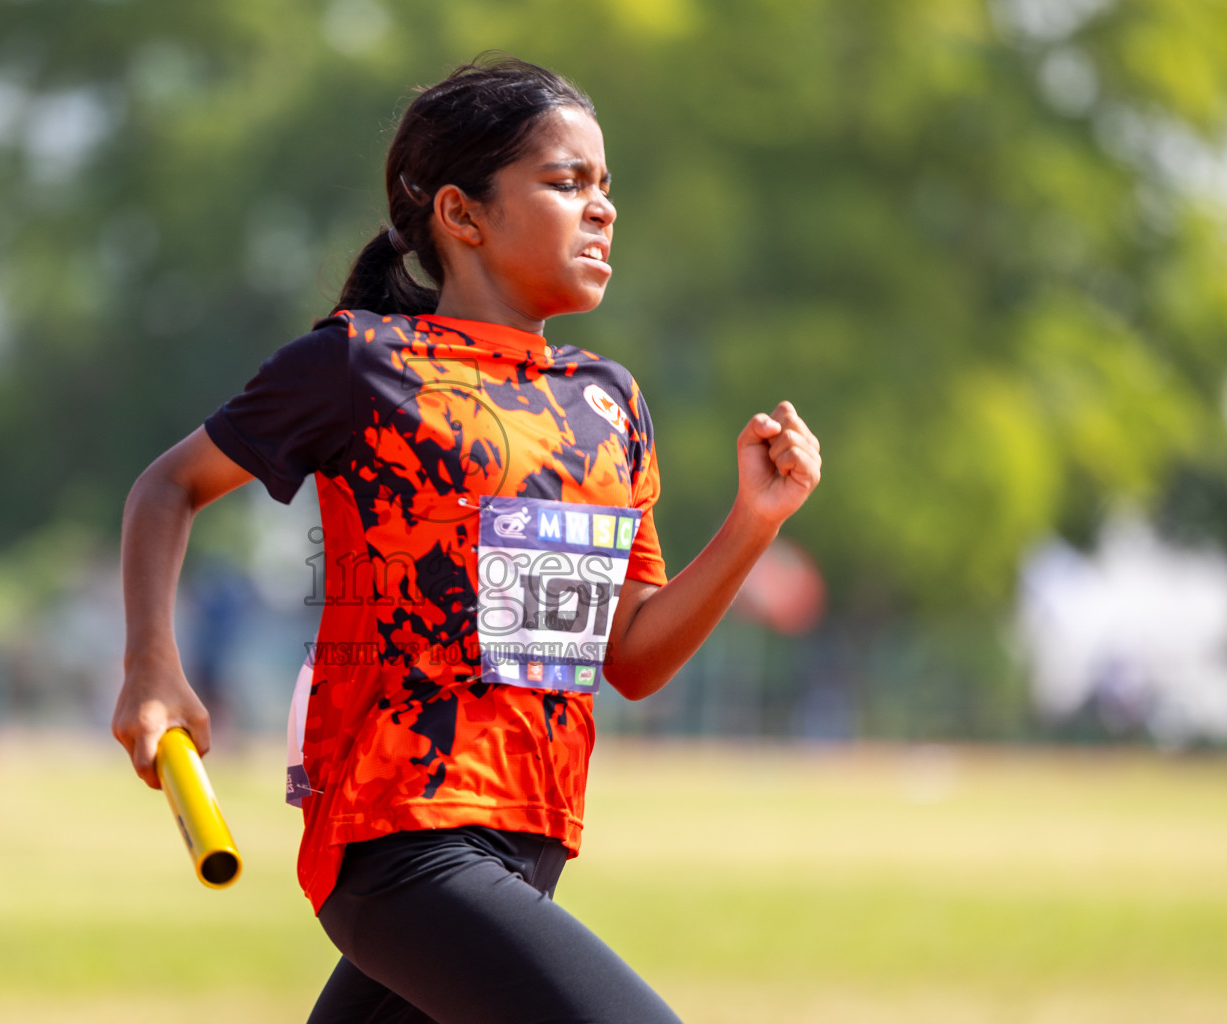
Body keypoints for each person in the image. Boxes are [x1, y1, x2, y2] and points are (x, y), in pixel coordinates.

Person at [112, 55, 822, 1024]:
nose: (602, 209)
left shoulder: (607, 404)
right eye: (568, 183)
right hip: (401, 841)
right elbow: (169, 485)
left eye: (605, 187)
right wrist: (153, 666)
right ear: (462, 213)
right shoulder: (359, 366)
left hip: (533, 842)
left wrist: (754, 522)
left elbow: (635, 656)